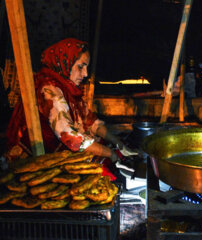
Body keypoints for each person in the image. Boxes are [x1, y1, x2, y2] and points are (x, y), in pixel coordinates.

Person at [5, 38, 136, 176]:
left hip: (63, 147)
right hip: (41, 157)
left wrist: (119, 144)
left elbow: (89, 120)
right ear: (64, 63)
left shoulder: (68, 86)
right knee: (105, 169)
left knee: (108, 151)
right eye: (81, 66)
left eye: (86, 67)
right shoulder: (49, 90)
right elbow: (71, 137)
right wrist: (110, 153)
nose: (85, 74)